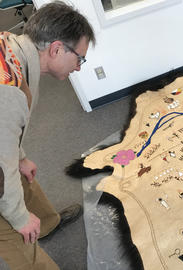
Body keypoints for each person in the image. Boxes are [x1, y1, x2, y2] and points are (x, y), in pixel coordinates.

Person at [0, 1, 95, 269]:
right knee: (14, 238)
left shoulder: (9, 44)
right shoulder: (8, 91)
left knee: (22, 175)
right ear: (55, 49)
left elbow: (4, 133)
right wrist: (19, 218)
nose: (79, 67)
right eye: (80, 58)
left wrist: (19, 156)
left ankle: (47, 225)